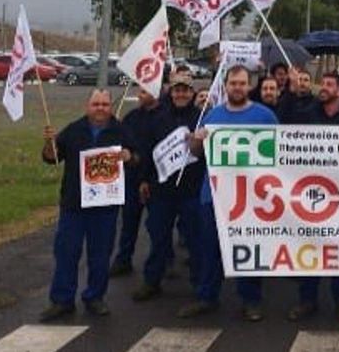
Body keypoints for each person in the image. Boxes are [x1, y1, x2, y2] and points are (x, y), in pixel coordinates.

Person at [192, 65, 280, 321]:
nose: (238, 88)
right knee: (210, 249)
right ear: (226, 85)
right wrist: (196, 139)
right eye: (233, 83)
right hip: (214, 196)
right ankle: (207, 297)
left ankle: (251, 300)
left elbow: (282, 151)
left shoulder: (265, 116)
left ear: (249, 86)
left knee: (248, 249)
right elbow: (197, 153)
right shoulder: (213, 116)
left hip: (252, 199)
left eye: (242, 83)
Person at [39, 90, 136, 321]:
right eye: (96, 104)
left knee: (100, 255)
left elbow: (138, 157)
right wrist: (47, 145)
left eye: (104, 104)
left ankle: (94, 297)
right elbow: (52, 157)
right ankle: (62, 300)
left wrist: (129, 156)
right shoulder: (74, 129)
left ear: (111, 107)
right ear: (87, 106)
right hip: (74, 204)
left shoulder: (121, 130)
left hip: (105, 206)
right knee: (66, 253)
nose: (100, 108)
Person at [133, 72, 221, 320]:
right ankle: (152, 281)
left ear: (193, 93)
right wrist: (143, 180)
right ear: (170, 93)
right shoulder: (158, 118)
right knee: (159, 238)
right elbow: (148, 151)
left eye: (185, 90)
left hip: (192, 191)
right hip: (162, 191)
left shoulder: (202, 118)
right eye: (177, 90)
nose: (181, 94)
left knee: (196, 241)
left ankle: (201, 288)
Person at [278, 71, 339, 323]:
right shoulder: (308, 114)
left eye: (329, 84)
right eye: (322, 83)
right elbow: (284, 123)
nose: (323, 87)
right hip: (310, 194)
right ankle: (307, 300)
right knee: (310, 250)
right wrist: (290, 90)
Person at [110, 87, 159, 277]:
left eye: (146, 91)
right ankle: (124, 259)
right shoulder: (131, 117)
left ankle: (162, 264)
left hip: (155, 180)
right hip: (131, 178)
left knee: (156, 227)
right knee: (129, 222)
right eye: (140, 91)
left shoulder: (165, 116)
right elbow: (121, 140)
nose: (141, 95)